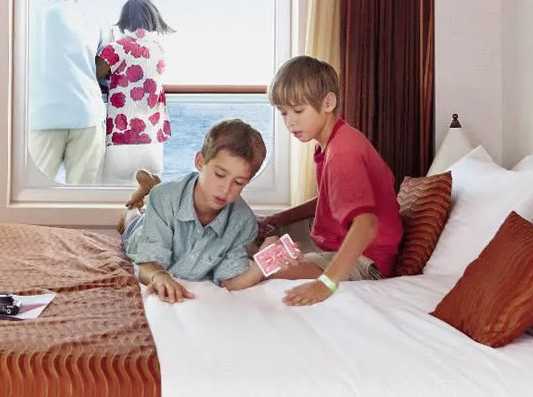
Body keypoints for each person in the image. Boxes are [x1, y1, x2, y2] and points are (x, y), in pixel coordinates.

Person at [258, 56, 403, 307]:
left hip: (367, 262)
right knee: (256, 242)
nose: (290, 121)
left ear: (328, 102)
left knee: (259, 268)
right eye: (283, 113)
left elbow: (366, 225)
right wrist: (278, 219)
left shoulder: (343, 153)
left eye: (298, 110)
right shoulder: (330, 142)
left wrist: (325, 283)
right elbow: (329, 199)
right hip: (333, 243)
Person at [117, 119, 267, 304]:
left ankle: (149, 191)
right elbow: (147, 262)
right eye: (219, 174)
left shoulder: (244, 222)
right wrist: (158, 276)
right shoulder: (164, 198)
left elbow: (229, 279)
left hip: (167, 205)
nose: (225, 189)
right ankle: (135, 206)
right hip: (147, 224)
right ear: (199, 162)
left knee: (160, 202)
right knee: (131, 225)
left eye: (238, 183)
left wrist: (261, 265)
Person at [28, 0, 105, 185]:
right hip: (87, 112)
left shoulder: (30, 17)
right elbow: (104, 64)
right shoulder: (93, 19)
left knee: (35, 189)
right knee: (84, 191)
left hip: (42, 114)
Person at [96, 0, 175, 185]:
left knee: (112, 200)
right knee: (149, 202)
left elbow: (97, 72)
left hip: (121, 139)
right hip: (153, 139)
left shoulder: (116, 48)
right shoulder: (159, 49)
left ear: (125, 20)